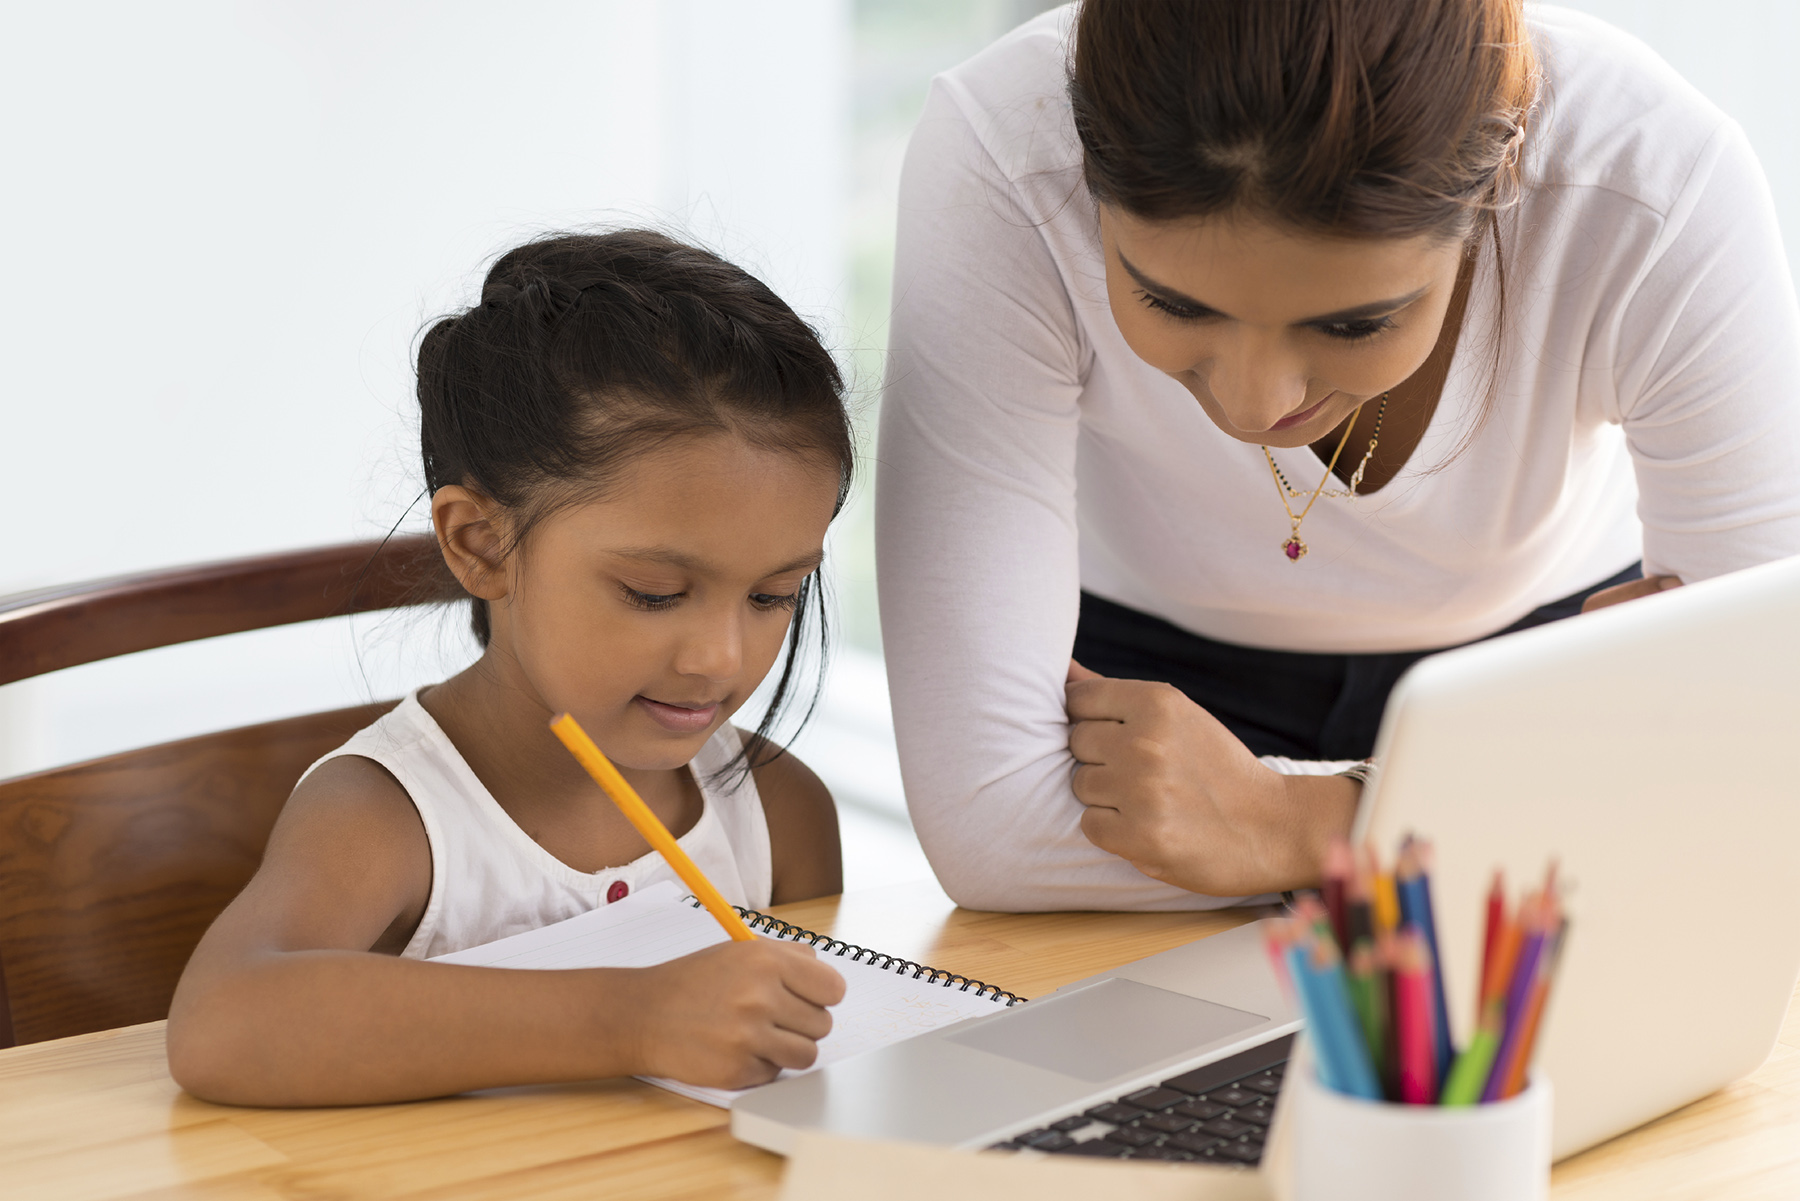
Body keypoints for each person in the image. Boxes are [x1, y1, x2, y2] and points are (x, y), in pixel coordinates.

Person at [877, 1, 1800, 911]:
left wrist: (1301, 823)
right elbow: (991, 826)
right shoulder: (1009, 155)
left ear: (1496, 187)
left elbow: (1764, 780)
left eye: (1356, 322)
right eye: (1174, 303)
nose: (1255, 404)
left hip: (1540, 673)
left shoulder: (1651, 186)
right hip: (1149, 731)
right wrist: (1558, 807)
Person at [168, 231, 854, 1105]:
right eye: (653, 592)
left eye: (773, 596)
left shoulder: (780, 815)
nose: (722, 659)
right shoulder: (389, 816)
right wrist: (632, 1017)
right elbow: (224, 1021)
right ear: (482, 544)